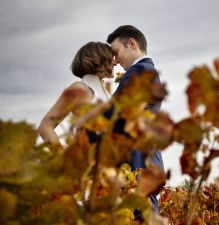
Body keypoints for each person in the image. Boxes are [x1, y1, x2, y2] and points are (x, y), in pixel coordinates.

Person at [106, 25, 165, 213]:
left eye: (116, 53)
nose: (115, 61)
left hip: (136, 166)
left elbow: (110, 117)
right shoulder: (148, 71)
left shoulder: (139, 71)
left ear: (131, 43)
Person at [38, 41, 115, 145]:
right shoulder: (80, 88)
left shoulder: (105, 91)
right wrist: (62, 157)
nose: (114, 63)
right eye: (110, 59)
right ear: (97, 59)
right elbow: (45, 126)